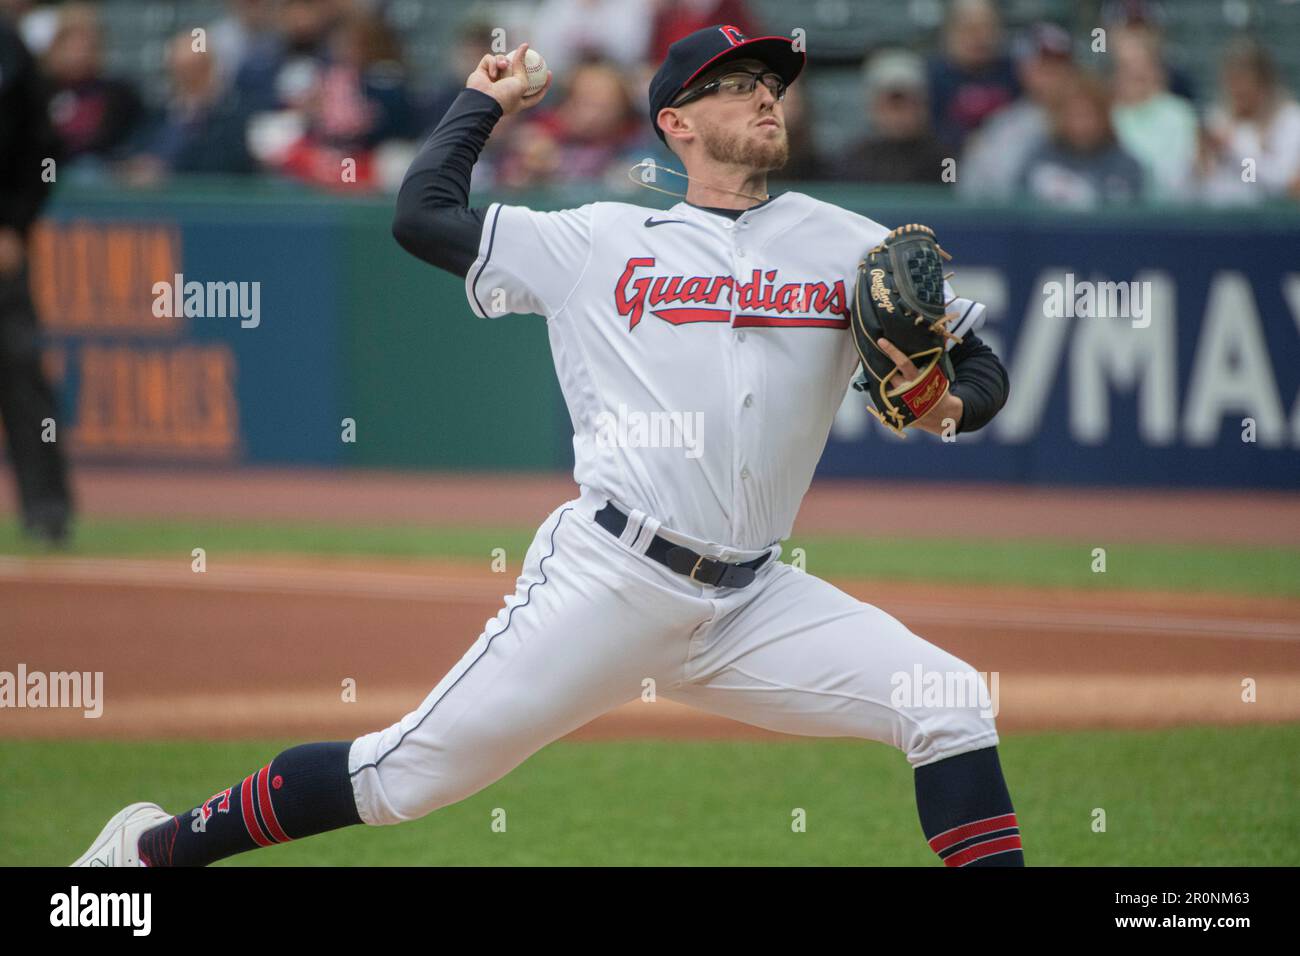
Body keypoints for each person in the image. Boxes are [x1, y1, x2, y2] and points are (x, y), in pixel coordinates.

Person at [72, 25, 1022, 869]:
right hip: (610, 580)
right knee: (404, 776)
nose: (767, 94)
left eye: (772, 81)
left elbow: (978, 367)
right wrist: (481, 102)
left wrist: (947, 402)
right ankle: (149, 851)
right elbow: (421, 216)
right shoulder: (598, 240)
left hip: (754, 599)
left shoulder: (845, 242)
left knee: (948, 703)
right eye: (737, 84)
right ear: (676, 123)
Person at [0, 17, 73, 545]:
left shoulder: (11, 50)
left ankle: (47, 510)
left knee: (21, 371)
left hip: (0, 248)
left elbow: (43, 148)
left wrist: (14, 224)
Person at [959, 22, 1074, 202]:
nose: (1052, 72)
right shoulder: (1002, 127)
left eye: (1059, 62)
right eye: (1043, 63)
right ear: (1023, 68)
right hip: (1011, 225)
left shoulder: (1092, 120)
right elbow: (971, 193)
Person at [1018, 70, 1144, 209]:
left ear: (1104, 116)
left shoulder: (1126, 165)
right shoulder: (1039, 158)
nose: (1081, 124)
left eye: (1088, 115)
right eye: (1074, 115)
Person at [1198, 37, 1300, 206]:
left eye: (1244, 79)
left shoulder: (1290, 120)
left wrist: (1235, 148)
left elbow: (1282, 182)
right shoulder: (1219, 117)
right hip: (1220, 221)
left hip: (1271, 222)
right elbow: (1207, 186)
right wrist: (1202, 160)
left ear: (1263, 81)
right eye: (1231, 80)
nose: (1237, 89)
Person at [1109, 23, 1198, 202]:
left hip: (1168, 212)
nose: (1136, 74)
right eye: (1128, 67)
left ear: (1157, 72)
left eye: (1142, 66)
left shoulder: (1180, 114)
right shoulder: (1107, 114)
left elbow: (1180, 173)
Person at [834, 48, 948, 184]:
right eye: (892, 105)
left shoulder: (945, 160)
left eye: (908, 103)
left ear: (923, 105)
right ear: (873, 106)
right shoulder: (849, 160)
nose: (899, 115)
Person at [926, 0, 1019, 152]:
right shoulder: (931, 77)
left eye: (987, 28)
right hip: (947, 164)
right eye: (970, 29)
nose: (979, 37)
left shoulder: (1016, 72)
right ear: (950, 32)